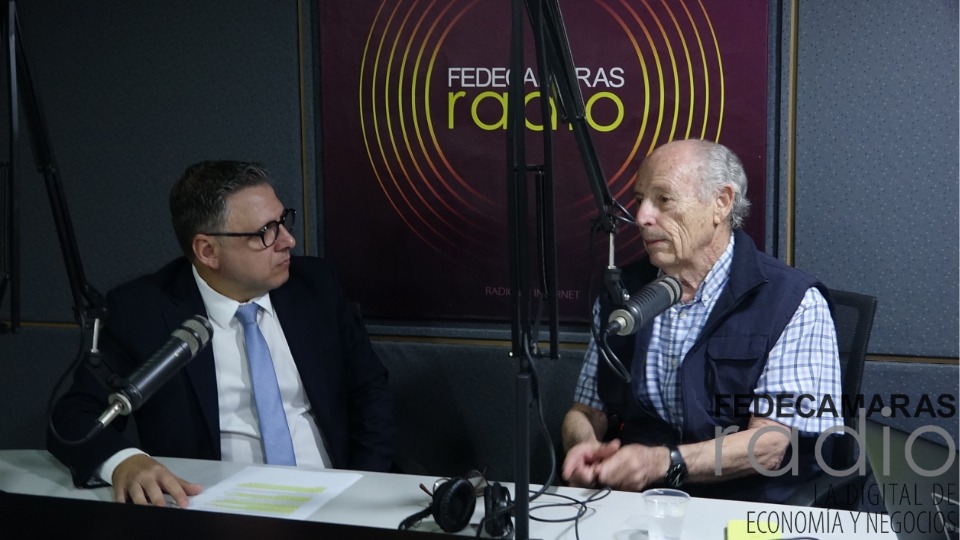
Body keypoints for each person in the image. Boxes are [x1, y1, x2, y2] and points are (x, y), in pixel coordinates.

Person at [47, 160, 395, 507]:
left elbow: (369, 391)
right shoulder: (143, 312)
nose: (288, 240)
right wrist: (124, 462)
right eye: (266, 231)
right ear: (208, 251)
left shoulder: (315, 287)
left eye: (283, 221)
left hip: (336, 500)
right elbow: (75, 417)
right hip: (216, 509)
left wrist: (363, 487)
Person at [561, 139, 842, 503]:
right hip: (639, 501)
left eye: (663, 199)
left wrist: (663, 463)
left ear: (721, 203)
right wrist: (584, 447)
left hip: (745, 504)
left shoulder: (793, 301)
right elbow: (586, 410)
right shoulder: (623, 293)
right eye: (640, 200)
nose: (642, 217)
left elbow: (769, 445)